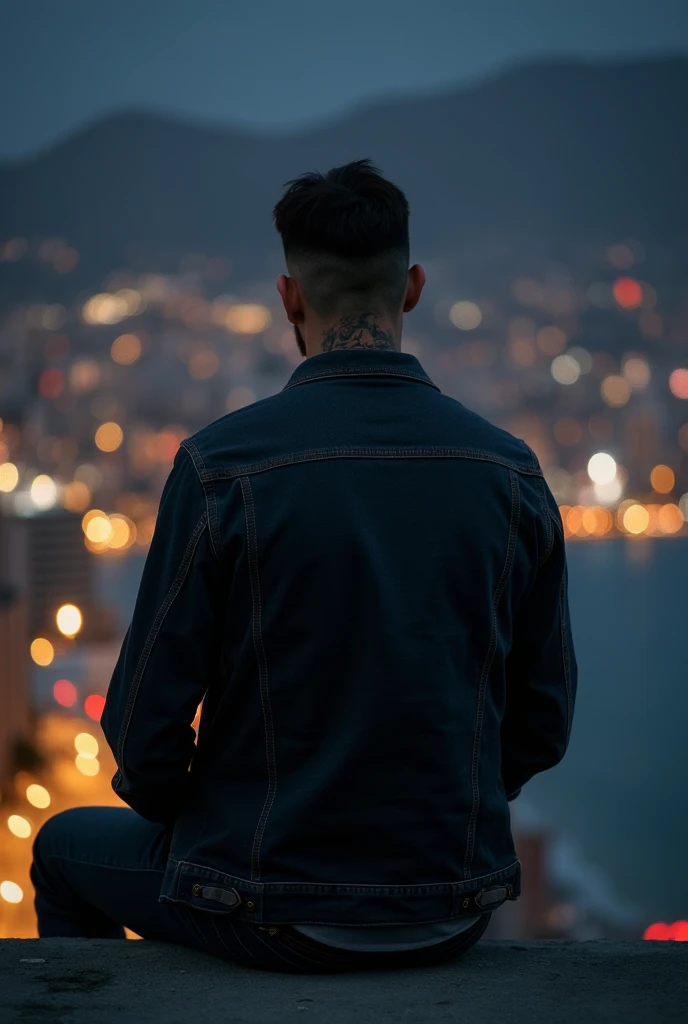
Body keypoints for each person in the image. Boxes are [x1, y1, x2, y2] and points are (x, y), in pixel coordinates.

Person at [31, 159, 577, 973]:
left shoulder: (221, 466)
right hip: (451, 904)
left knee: (62, 849)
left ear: (288, 297)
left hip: (262, 904)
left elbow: (142, 731)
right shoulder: (512, 472)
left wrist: (212, 827)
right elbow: (543, 720)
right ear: (414, 287)